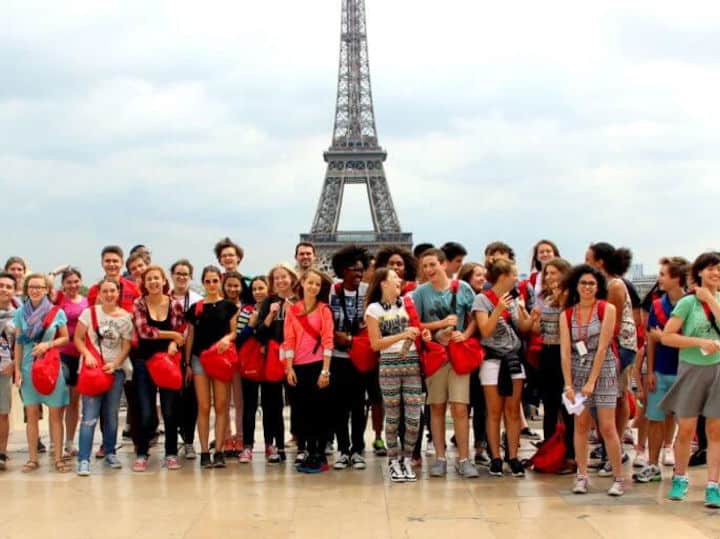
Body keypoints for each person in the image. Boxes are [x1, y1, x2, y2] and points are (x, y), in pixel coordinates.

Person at [412, 248, 479, 479]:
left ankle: (463, 458)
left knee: (460, 407)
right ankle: (440, 457)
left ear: (443, 264)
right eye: (425, 266)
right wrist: (439, 326)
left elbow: (473, 319)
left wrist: (466, 335)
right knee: (437, 407)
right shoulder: (420, 293)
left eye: (432, 265)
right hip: (436, 355)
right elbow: (417, 324)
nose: (429, 270)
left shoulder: (463, 288)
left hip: (458, 353)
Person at [660, 252, 720, 507]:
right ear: (699, 272)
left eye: (718, 269)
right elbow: (667, 336)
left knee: (716, 431)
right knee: (685, 429)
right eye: (710, 268)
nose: (715, 273)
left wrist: (711, 300)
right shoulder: (687, 303)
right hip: (691, 368)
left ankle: (713, 485)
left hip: (717, 369)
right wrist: (699, 342)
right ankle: (680, 478)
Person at [560, 264, 624, 496]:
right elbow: (566, 351)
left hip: (603, 367)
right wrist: (568, 383)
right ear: (576, 286)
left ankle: (618, 476)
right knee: (580, 425)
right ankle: (582, 474)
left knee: (607, 426)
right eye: (583, 283)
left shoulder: (606, 309)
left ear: (598, 287)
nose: (587, 287)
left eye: (591, 283)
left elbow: (603, 346)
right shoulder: (567, 314)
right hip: (578, 367)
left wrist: (592, 381)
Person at [474, 258, 536, 478]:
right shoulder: (482, 300)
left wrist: (532, 316)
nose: (516, 279)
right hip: (492, 360)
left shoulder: (513, 300)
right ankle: (496, 457)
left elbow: (523, 327)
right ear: (503, 276)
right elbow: (486, 331)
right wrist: (498, 309)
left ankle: (513, 455)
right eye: (514, 274)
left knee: (512, 410)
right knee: (494, 411)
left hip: (513, 359)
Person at [366, 268, 429, 482]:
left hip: (411, 363)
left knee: (413, 420)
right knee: (393, 418)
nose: (399, 280)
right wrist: (403, 334)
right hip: (389, 365)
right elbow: (375, 344)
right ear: (383, 283)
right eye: (394, 277)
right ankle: (394, 461)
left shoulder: (408, 303)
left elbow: (417, 328)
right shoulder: (373, 310)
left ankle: (407, 458)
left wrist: (421, 334)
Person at [632, 257, 688, 484]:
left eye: (664, 274)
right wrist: (650, 371)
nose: (659, 278)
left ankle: (679, 468)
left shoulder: (692, 304)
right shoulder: (656, 305)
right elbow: (650, 342)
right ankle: (653, 464)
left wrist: (663, 336)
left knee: (685, 421)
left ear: (676, 278)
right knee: (654, 418)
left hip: (685, 370)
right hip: (661, 369)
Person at [73, 278, 133, 475]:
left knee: (111, 415)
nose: (109, 295)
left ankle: (110, 451)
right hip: (92, 370)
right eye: (105, 291)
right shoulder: (89, 313)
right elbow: (78, 338)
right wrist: (87, 354)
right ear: (99, 293)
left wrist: (115, 364)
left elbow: (126, 346)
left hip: (114, 371)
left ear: (118, 293)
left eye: (112, 291)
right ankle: (83, 459)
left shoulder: (125, 317)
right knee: (89, 416)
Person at [586, 242, 637, 471]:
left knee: (615, 396)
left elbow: (612, 323)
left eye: (589, 260)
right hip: (609, 346)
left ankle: (615, 452)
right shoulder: (602, 284)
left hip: (619, 346)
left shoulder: (614, 285)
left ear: (600, 262)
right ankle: (610, 450)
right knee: (609, 397)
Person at [87, 245, 141, 457]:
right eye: (107, 261)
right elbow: (92, 320)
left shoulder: (133, 288)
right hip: (106, 353)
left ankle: (139, 442)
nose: (111, 264)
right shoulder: (94, 290)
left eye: (115, 261)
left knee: (134, 399)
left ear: (121, 263)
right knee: (105, 403)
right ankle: (107, 444)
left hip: (131, 350)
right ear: (102, 263)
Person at [13, 273, 71, 472]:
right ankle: (32, 458)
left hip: (50, 366)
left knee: (55, 414)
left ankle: (58, 457)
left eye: (39, 287)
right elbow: (19, 344)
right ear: (26, 290)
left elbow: (65, 338)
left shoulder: (56, 312)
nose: (35, 290)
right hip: (29, 367)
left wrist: (48, 344)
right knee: (31, 413)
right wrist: (18, 369)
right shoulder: (20, 313)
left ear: (46, 289)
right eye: (31, 287)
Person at [132, 266, 187, 472]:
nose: (154, 282)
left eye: (157, 278)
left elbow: (182, 330)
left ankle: (171, 452)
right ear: (144, 283)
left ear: (164, 281)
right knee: (146, 411)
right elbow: (145, 331)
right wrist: (171, 336)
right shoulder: (139, 303)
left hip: (168, 362)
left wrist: (175, 342)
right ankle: (142, 452)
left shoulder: (174, 304)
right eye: (149, 279)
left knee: (169, 410)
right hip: (144, 363)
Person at [184, 265, 238, 468]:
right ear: (203, 283)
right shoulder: (195, 309)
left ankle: (219, 450)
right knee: (204, 406)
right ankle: (205, 451)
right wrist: (187, 362)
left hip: (220, 358)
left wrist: (227, 339)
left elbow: (234, 332)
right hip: (199, 359)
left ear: (220, 281)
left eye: (215, 280)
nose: (212, 284)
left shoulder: (229, 306)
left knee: (222, 405)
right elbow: (190, 337)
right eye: (208, 281)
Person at [329, 245, 375, 470]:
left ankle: (357, 448)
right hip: (338, 357)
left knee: (358, 405)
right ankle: (343, 449)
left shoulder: (368, 291)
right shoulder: (331, 291)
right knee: (338, 406)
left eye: (361, 269)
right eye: (353, 270)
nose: (358, 273)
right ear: (342, 270)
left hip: (359, 354)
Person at [284, 269, 334, 473]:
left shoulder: (324, 310)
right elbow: (289, 340)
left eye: (317, 284)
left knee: (319, 412)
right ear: (302, 283)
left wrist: (326, 371)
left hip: (318, 366)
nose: (313, 287)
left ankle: (320, 454)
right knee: (303, 412)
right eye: (310, 283)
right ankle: (309, 451)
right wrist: (288, 367)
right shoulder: (292, 310)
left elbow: (328, 340)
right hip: (298, 366)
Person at [530, 257, 575, 473]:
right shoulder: (545, 299)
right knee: (548, 405)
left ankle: (570, 456)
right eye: (546, 273)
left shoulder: (572, 299)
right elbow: (539, 330)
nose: (549, 277)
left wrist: (561, 299)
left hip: (565, 353)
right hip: (547, 352)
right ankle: (549, 452)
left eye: (554, 273)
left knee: (567, 407)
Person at [255, 264, 300, 463]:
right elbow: (259, 333)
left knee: (298, 403)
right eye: (276, 278)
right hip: (273, 357)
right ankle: (274, 445)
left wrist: (294, 313)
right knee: (272, 404)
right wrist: (270, 315)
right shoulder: (269, 302)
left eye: (284, 277)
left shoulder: (300, 300)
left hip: (296, 357)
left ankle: (302, 444)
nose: (280, 281)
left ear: (291, 277)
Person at [169, 259, 202, 460]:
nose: (181, 277)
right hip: (169, 354)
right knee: (170, 401)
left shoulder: (198, 301)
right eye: (178, 273)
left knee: (190, 400)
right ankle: (173, 441)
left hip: (190, 355)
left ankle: (189, 440)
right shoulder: (163, 298)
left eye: (185, 274)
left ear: (190, 277)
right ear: (172, 276)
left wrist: (189, 361)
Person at [55, 268, 88, 458]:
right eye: (69, 282)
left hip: (81, 355)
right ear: (63, 284)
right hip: (62, 355)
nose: (73, 285)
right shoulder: (59, 300)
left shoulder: (86, 302)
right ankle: (56, 441)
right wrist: (57, 270)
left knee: (75, 402)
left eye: (76, 281)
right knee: (59, 401)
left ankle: (69, 442)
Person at [237, 276, 270, 463]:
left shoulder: (275, 309)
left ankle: (269, 443)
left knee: (270, 406)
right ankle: (247, 446)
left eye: (261, 288)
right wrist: (251, 325)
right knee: (249, 407)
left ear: (268, 289)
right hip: (250, 363)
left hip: (268, 364)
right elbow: (239, 339)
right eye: (255, 289)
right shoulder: (246, 312)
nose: (258, 292)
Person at [221, 271, 246, 457]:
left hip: (242, 357)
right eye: (229, 285)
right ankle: (227, 436)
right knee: (223, 401)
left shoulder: (247, 307)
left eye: (236, 285)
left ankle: (240, 436)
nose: (232, 289)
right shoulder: (218, 306)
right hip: (222, 357)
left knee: (239, 401)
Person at [0, 272, 17, 470]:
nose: (3, 289)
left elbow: (21, 343)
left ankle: (2, 453)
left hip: (4, 368)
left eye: (8, 286)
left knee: (3, 413)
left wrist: (14, 364)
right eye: (1, 285)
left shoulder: (18, 315)